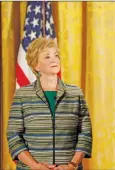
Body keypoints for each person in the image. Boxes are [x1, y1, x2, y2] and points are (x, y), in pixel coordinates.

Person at [6, 37, 92, 170]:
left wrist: (72, 165)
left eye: (56, 55)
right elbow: (13, 135)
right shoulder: (22, 95)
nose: (54, 59)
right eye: (47, 57)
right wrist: (35, 166)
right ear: (36, 65)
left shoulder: (76, 93)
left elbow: (85, 134)